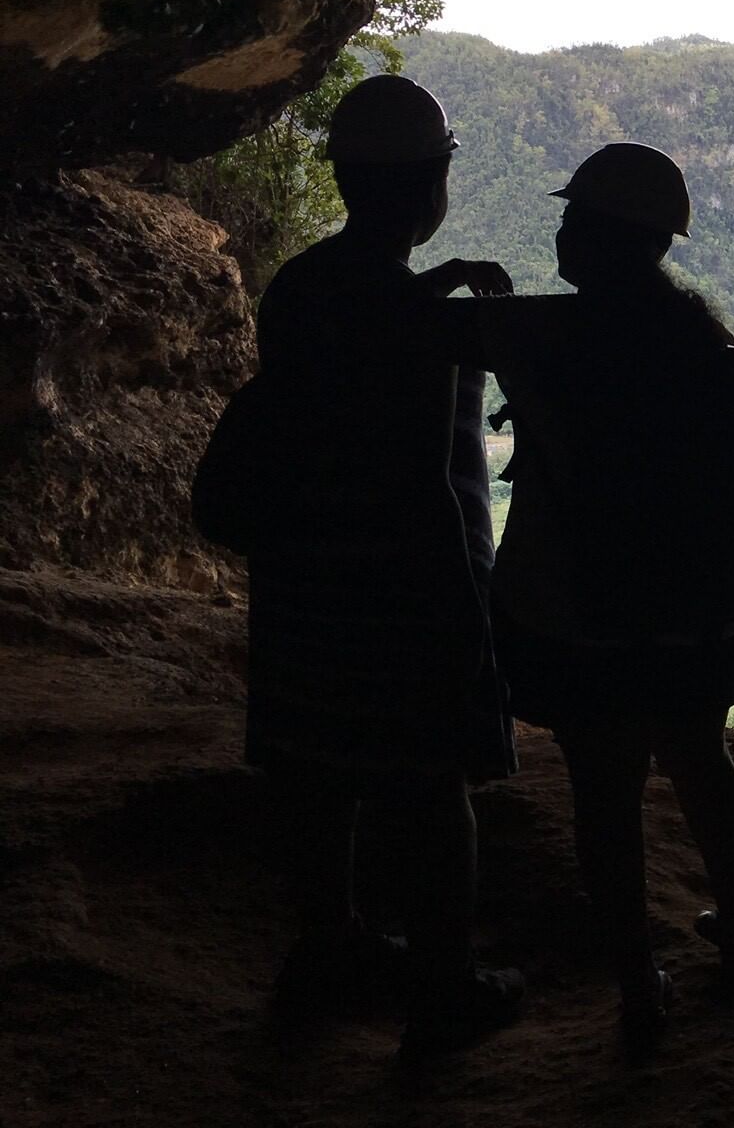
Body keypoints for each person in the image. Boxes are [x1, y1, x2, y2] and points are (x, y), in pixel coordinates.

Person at [427, 142, 734, 1056]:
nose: (560, 232)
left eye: (572, 219)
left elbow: (411, 332)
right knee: (702, 755)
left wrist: (448, 279)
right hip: (702, 607)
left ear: (591, 235)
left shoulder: (543, 333)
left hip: (590, 611)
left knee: (606, 791)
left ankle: (637, 985)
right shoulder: (704, 342)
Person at [244, 74, 524, 1056]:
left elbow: (335, 357)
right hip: (398, 596)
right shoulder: (420, 329)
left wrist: (433, 284)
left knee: (317, 775)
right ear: (430, 184)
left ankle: (329, 947)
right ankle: (442, 988)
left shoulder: (300, 288)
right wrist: (469, 615)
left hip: (299, 588)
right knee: (430, 790)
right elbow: (427, 485)